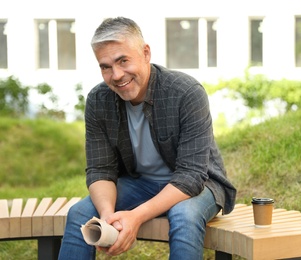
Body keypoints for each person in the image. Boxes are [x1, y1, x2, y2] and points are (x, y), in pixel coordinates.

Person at [58, 17, 236, 260]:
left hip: (200, 185)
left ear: (145, 53)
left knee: (184, 215)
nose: (117, 75)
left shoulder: (186, 92)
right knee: (81, 213)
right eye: (105, 66)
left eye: (123, 61)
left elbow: (191, 176)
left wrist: (136, 217)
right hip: (140, 183)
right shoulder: (98, 101)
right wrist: (108, 216)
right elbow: (101, 170)